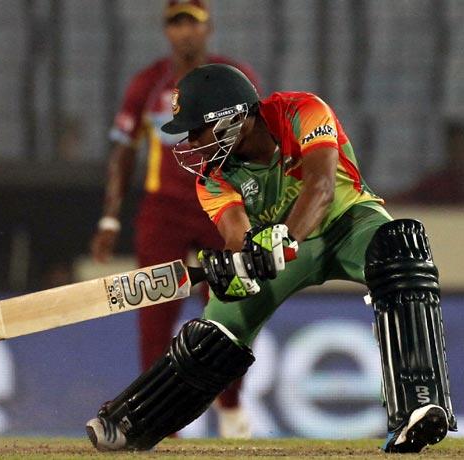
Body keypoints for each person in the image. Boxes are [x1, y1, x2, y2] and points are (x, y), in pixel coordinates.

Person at [86, 64, 457, 453]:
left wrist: (285, 238)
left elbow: (322, 187)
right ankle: (132, 421)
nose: (192, 142)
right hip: (275, 254)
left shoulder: (302, 111)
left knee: (401, 246)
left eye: (197, 130)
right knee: (213, 335)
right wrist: (234, 267)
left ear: (235, 117)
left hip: (348, 224)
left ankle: (418, 404)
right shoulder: (211, 178)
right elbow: (236, 235)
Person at [90, 0, 260, 438]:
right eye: (176, 23)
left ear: (208, 28)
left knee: (229, 308)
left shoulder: (232, 78)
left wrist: (258, 209)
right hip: (163, 210)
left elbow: (257, 144)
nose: (184, 33)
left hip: (220, 206)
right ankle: (158, 418)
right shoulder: (148, 83)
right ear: (166, 31)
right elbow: (123, 154)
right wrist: (110, 220)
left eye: (193, 23)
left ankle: (231, 409)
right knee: (154, 315)